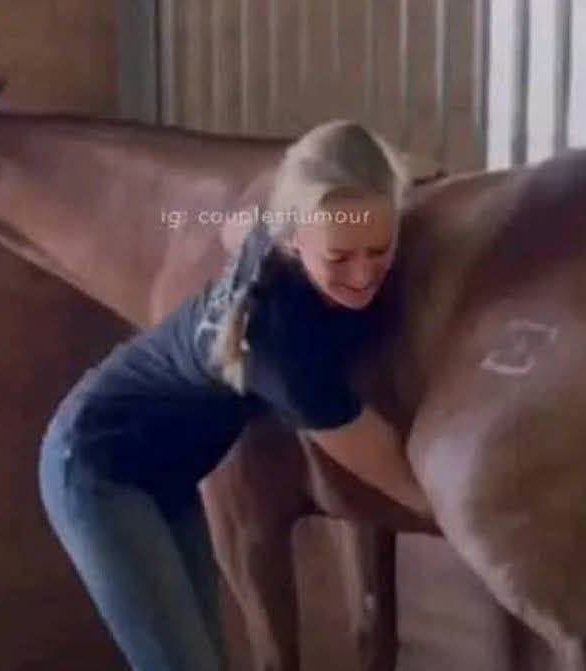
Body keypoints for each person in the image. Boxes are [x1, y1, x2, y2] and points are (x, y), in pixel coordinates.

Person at [37, 120, 432, 671]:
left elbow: (236, 225)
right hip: (95, 465)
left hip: (170, 475)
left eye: (379, 249)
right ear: (294, 242)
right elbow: (403, 481)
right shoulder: (280, 344)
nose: (364, 274)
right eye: (339, 258)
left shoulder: (272, 237)